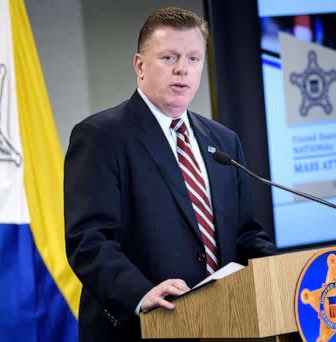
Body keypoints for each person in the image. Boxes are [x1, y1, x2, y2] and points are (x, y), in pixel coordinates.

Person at [64, 7, 277, 342]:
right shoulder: (101, 136)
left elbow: (244, 234)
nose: (183, 69)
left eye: (193, 58)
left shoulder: (223, 141)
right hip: (141, 329)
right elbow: (88, 241)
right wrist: (140, 293)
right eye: (169, 57)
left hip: (222, 325)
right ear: (139, 65)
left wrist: (291, 274)